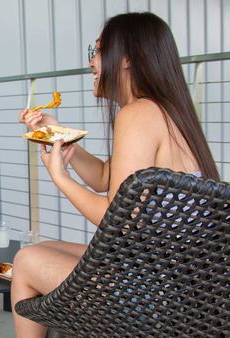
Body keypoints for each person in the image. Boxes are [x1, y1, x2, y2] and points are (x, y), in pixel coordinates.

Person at [11, 12, 219, 338]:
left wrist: (60, 177)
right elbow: (108, 177)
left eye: (96, 51)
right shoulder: (164, 111)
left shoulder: (138, 114)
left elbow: (116, 216)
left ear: (126, 60)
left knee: (25, 261)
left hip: (154, 298)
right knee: (42, 250)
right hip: (183, 289)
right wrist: (60, 138)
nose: (91, 63)